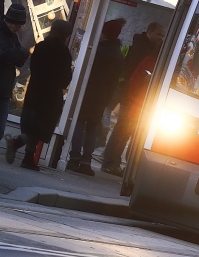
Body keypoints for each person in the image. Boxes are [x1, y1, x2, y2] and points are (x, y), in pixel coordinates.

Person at [7, 20, 73, 171]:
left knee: (32, 124)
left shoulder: (41, 46)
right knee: (40, 127)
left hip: (36, 90)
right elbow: (65, 76)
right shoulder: (63, 52)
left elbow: (33, 66)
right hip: (51, 94)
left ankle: (27, 156)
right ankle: (19, 146)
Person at [100, 23, 165, 176]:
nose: (160, 39)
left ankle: (113, 162)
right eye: (159, 35)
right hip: (131, 95)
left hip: (133, 96)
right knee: (122, 129)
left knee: (126, 130)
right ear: (149, 32)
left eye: (163, 36)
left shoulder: (144, 47)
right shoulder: (142, 49)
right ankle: (110, 162)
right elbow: (134, 75)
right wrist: (132, 96)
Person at [66, 19, 125, 176]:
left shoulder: (96, 50)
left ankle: (74, 158)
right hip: (102, 96)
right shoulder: (118, 54)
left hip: (87, 91)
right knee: (92, 127)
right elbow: (115, 79)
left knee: (79, 123)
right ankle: (86, 161)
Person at [0, 5, 30, 179]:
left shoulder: (13, 36)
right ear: (8, 21)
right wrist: (21, 52)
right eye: (16, 24)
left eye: (21, 25)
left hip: (4, 90)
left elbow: (19, 61)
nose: (18, 28)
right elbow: (2, 55)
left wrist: (19, 54)